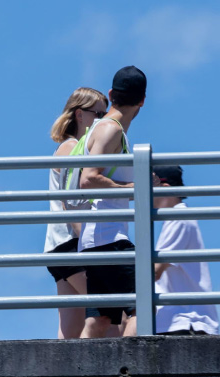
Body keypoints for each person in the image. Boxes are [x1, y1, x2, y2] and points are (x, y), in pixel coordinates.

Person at [77, 66, 147, 338]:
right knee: (143, 306)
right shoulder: (111, 130)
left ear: (110, 94)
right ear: (142, 101)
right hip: (110, 238)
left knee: (100, 320)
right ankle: (135, 373)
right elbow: (89, 179)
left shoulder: (102, 128)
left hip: (96, 239)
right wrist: (134, 187)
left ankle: (77, 375)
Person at [46, 87, 107, 339]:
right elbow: (70, 204)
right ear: (80, 115)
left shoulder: (71, 148)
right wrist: (90, 247)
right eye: (99, 114)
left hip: (58, 247)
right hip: (72, 245)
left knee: (69, 330)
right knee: (113, 309)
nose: (104, 121)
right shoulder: (72, 148)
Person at [152, 165, 220, 335]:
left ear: (164, 188)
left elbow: (154, 271)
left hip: (185, 321)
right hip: (183, 321)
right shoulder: (177, 218)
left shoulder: (179, 217)